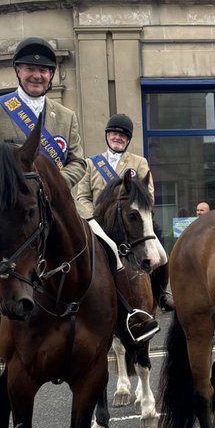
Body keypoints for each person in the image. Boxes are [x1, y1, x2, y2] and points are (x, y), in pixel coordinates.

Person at [0, 38, 157, 356]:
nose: (38, 75)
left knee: (111, 249)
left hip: (61, 208)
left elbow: (77, 161)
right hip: (12, 212)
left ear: (51, 76)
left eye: (44, 71)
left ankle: (131, 316)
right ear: (19, 71)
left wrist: (55, 187)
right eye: (31, 69)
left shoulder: (66, 116)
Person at [74, 114, 170, 317]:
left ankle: (160, 294)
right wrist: (95, 219)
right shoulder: (91, 164)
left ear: (128, 140)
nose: (118, 138)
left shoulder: (138, 162)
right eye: (114, 133)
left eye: (123, 136)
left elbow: (148, 194)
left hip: (132, 223)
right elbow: (82, 196)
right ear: (107, 135)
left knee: (161, 255)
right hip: (99, 224)